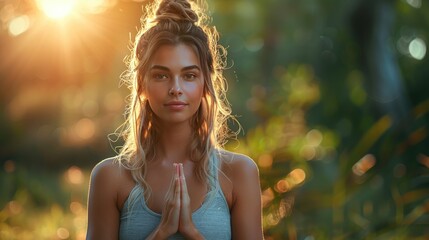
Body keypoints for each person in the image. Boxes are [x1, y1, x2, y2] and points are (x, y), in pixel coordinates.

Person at [86, 0, 263, 239]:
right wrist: (161, 233)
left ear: (205, 84)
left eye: (189, 75)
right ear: (142, 84)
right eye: (161, 75)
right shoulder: (110, 177)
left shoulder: (238, 173)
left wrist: (191, 232)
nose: (176, 89)